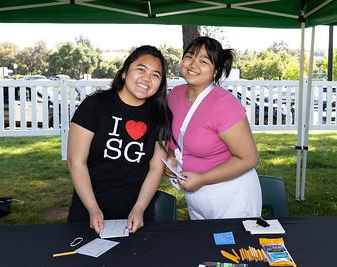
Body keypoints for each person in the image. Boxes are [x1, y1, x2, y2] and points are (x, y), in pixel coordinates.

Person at [67, 45, 173, 234]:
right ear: (124, 72)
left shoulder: (161, 115)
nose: (147, 78)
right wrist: (92, 208)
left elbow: (156, 168)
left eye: (156, 75)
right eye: (141, 69)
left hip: (136, 211)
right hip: (88, 205)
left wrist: (139, 208)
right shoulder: (94, 105)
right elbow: (77, 162)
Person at [166, 36, 262, 219]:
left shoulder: (225, 105)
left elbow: (249, 158)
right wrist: (170, 158)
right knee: (204, 245)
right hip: (195, 196)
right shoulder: (175, 95)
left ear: (215, 71)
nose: (193, 64)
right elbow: (176, 140)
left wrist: (202, 179)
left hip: (231, 195)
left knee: (233, 247)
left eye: (203, 61)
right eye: (189, 56)